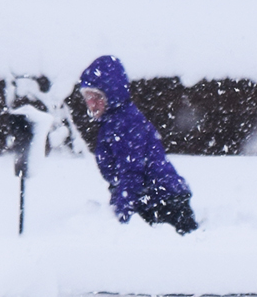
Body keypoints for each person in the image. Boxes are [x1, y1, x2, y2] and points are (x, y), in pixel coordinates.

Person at [80, 55, 198, 235]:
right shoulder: (112, 123)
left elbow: (131, 171)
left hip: (164, 203)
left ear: (111, 94)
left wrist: (124, 215)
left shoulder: (125, 123)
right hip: (153, 199)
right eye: (88, 97)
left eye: (97, 97)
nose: (92, 104)